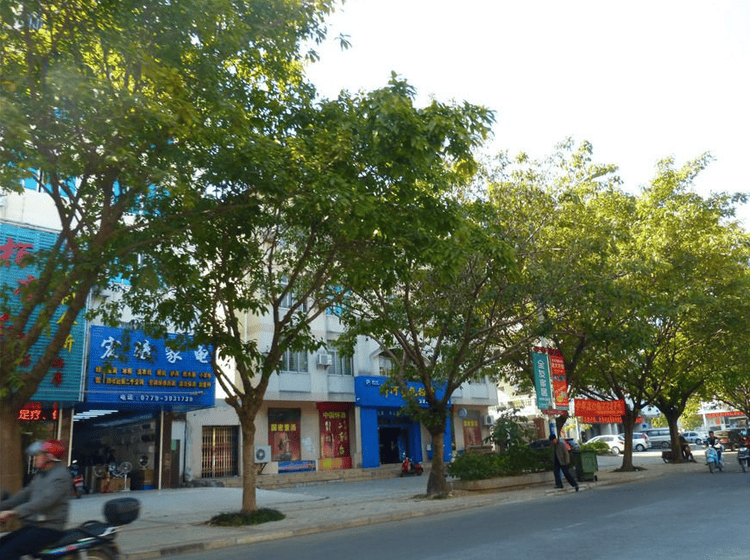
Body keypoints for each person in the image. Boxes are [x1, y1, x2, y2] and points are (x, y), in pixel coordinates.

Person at [0, 440, 71, 560]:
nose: (35, 458)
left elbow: (45, 501)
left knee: (6, 553)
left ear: (49, 457)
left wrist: (13, 512)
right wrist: (3, 506)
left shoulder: (61, 476)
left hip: (50, 528)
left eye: (38, 455)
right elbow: (24, 494)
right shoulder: (41, 474)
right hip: (35, 526)